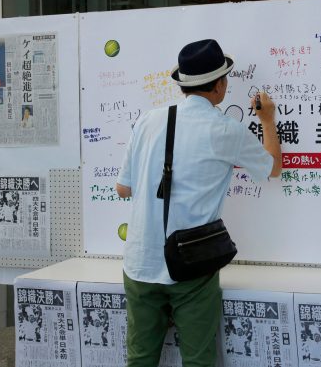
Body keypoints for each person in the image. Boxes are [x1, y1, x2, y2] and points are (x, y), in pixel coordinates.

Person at [115, 39, 282, 367]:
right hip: (191, 266)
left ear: (183, 85)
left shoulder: (148, 120)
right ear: (220, 86)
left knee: (139, 359)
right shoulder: (224, 129)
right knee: (198, 361)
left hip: (139, 262)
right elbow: (272, 168)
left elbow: (123, 188)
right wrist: (267, 120)